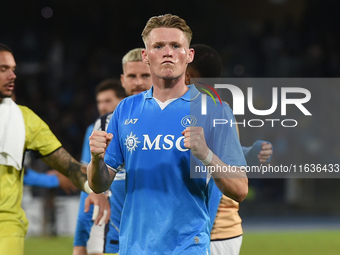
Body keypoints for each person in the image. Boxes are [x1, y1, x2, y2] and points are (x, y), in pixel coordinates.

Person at [87, 14, 248, 254]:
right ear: (146, 56)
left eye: (176, 46)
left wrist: (205, 154)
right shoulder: (125, 109)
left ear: (189, 55)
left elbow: (240, 189)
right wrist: (96, 159)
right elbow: (99, 184)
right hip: (134, 246)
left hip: (187, 246)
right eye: (158, 46)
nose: (168, 52)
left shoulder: (214, 110)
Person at [0, 43, 109, 255]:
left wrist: (95, 188)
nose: (12, 75)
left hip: (5, 227)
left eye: (13, 69)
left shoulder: (25, 120)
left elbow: (69, 167)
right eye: (3, 69)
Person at [185, 44, 273, 255]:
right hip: (191, 228)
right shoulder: (213, 108)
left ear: (187, 74)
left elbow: (218, 157)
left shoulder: (214, 109)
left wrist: (251, 153)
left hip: (216, 229)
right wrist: (251, 152)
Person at [74, 48, 152, 255]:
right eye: (132, 76)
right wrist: (79, 241)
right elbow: (91, 185)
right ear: (123, 80)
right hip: (117, 235)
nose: (138, 83)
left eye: (145, 75)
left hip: (159, 233)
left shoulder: (171, 118)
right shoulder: (104, 124)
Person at [73, 79, 126, 255]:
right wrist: (80, 241)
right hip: (107, 221)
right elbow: (87, 183)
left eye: (107, 101)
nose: (102, 107)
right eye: (99, 102)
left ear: (122, 99)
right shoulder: (96, 130)